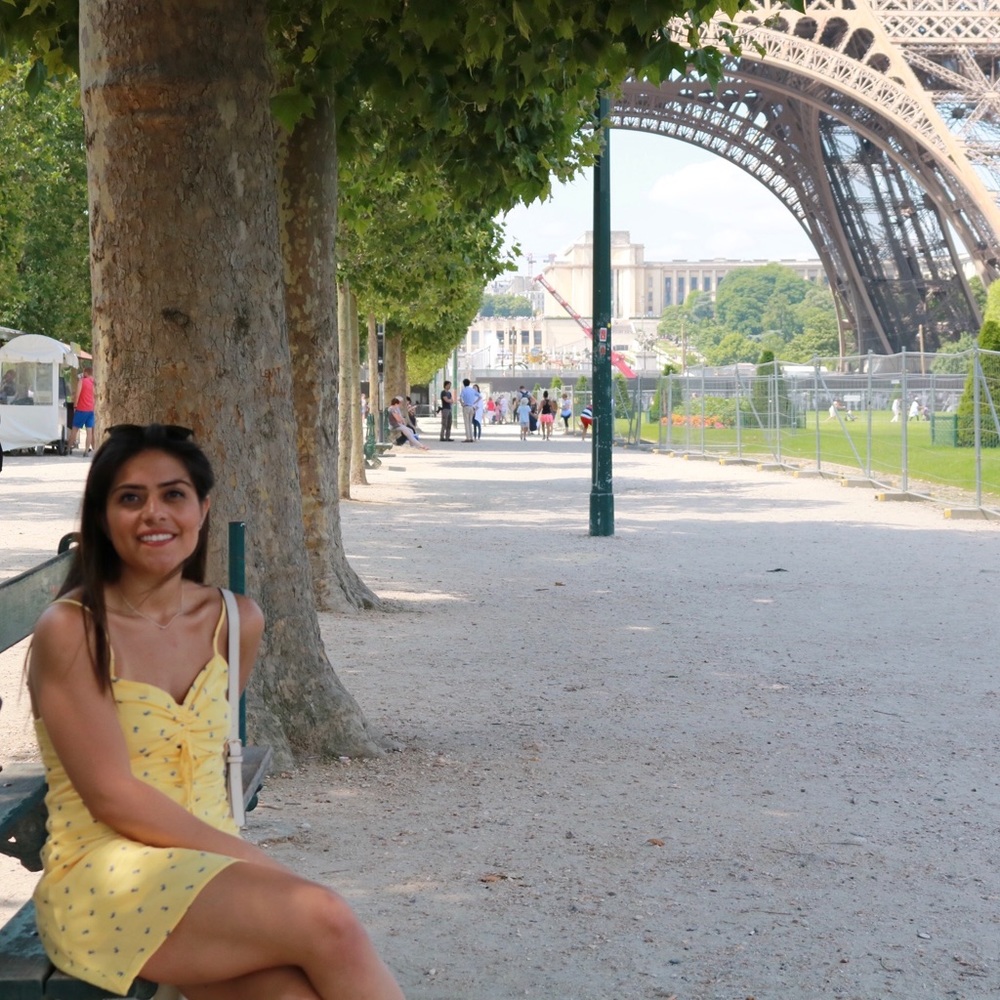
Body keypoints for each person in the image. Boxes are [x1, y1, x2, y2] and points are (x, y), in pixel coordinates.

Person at [26, 423, 405, 1000]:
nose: (154, 513)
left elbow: (207, 755)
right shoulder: (74, 629)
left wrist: (238, 864)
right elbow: (113, 797)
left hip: (205, 865)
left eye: (173, 495)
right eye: (131, 498)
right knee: (326, 918)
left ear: (202, 509)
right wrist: (257, 863)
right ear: (103, 517)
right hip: (107, 877)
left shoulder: (236, 621)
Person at [70, 366, 96, 455]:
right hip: (91, 410)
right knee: (89, 432)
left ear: (85, 373)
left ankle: (68, 448)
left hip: (81, 409)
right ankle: (86, 451)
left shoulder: (82, 381)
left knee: (74, 429)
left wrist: (75, 405)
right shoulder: (93, 383)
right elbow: (94, 397)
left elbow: (77, 395)